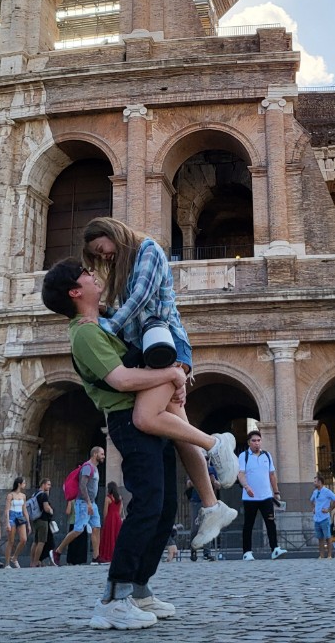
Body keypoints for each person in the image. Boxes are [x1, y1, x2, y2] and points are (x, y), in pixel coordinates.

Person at [42, 258, 184, 629]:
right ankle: (113, 598)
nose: (93, 275)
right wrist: (170, 373)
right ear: (76, 292)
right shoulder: (85, 333)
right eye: (86, 275)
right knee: (147, 506)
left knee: (165, 506)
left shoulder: (100, 323)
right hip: (130, 423)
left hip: (147, 421)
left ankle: (139, 589)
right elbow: (121, 380)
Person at [82, 217, 240, 548]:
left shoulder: (148, 250)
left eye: (102, 249)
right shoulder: (126, 266)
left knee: (145, 417)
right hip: (150, 353)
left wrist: (106, 327)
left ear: (112, 235)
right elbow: (128, 313)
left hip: (165, 347)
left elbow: (140, 298)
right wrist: (99, 316)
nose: (104, 257)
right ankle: (213, 506)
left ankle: (217, 445)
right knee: (178, 432)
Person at [237, 430, 287, 561]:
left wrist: (276, 492)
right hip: (250, 498)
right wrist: (246, 487)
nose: (256, 443)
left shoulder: (267, 455)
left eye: (258, 440)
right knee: (249, 524)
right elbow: (240, 474)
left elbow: (272, 475)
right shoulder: (243, 456)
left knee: (271, 523)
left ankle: (275, 549)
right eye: (253, 441)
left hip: (266, 496)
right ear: (249, 443)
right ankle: (247, 552)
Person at [51, 447, 105, 566]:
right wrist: (88, 503)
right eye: (101, 454)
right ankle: (58, 551)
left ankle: (96, 557)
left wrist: (92, 503)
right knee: (78, 529)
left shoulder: (95, 468)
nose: (103, 456)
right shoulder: (87, 467)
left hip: (92, 503)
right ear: (95, 454)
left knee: (96, 528)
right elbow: (82, 486)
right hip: (83, 503)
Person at [309, 473, 335, 559]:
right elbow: (311, 500)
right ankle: (321, 555)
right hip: (317, 518)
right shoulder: (315, 492)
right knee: (320, 538)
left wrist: (329, 509)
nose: (314, 483)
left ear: (320, 482)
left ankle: (329, 555)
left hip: (324, 518)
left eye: (315, 481)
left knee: (327, 536)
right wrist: (313, 508)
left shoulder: (327, 491)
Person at [3, 476, 30, 568]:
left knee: (24, 539)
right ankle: (7, 563)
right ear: (19, 484)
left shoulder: (23, 496)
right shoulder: (10, 495)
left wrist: (28, 523)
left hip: (20, 515)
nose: (25, 485)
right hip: (12, 515)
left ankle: (14, 557)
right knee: (11, 540)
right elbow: (6, 510)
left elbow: (24, 509)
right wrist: (7, 523)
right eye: (24, 483)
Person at [29, 481, 56, 568]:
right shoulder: (43, 495)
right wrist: (51, 510)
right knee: (41, 542)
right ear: (43, 484)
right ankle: (36, 562)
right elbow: (46, 508)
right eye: (48, 484)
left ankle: (32, 561)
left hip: (36, 519)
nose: (49, 486)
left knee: (35, 541)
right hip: (43, 520)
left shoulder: (35, 494)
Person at [98, 481, 125, 564]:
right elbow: (120, 511)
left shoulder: (108, 498)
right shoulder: (119, 498)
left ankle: (108, 554)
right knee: (117, 537)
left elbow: (105, 512)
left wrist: (105, 520)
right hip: (117, 518)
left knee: (109, 537)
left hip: (110, 519)